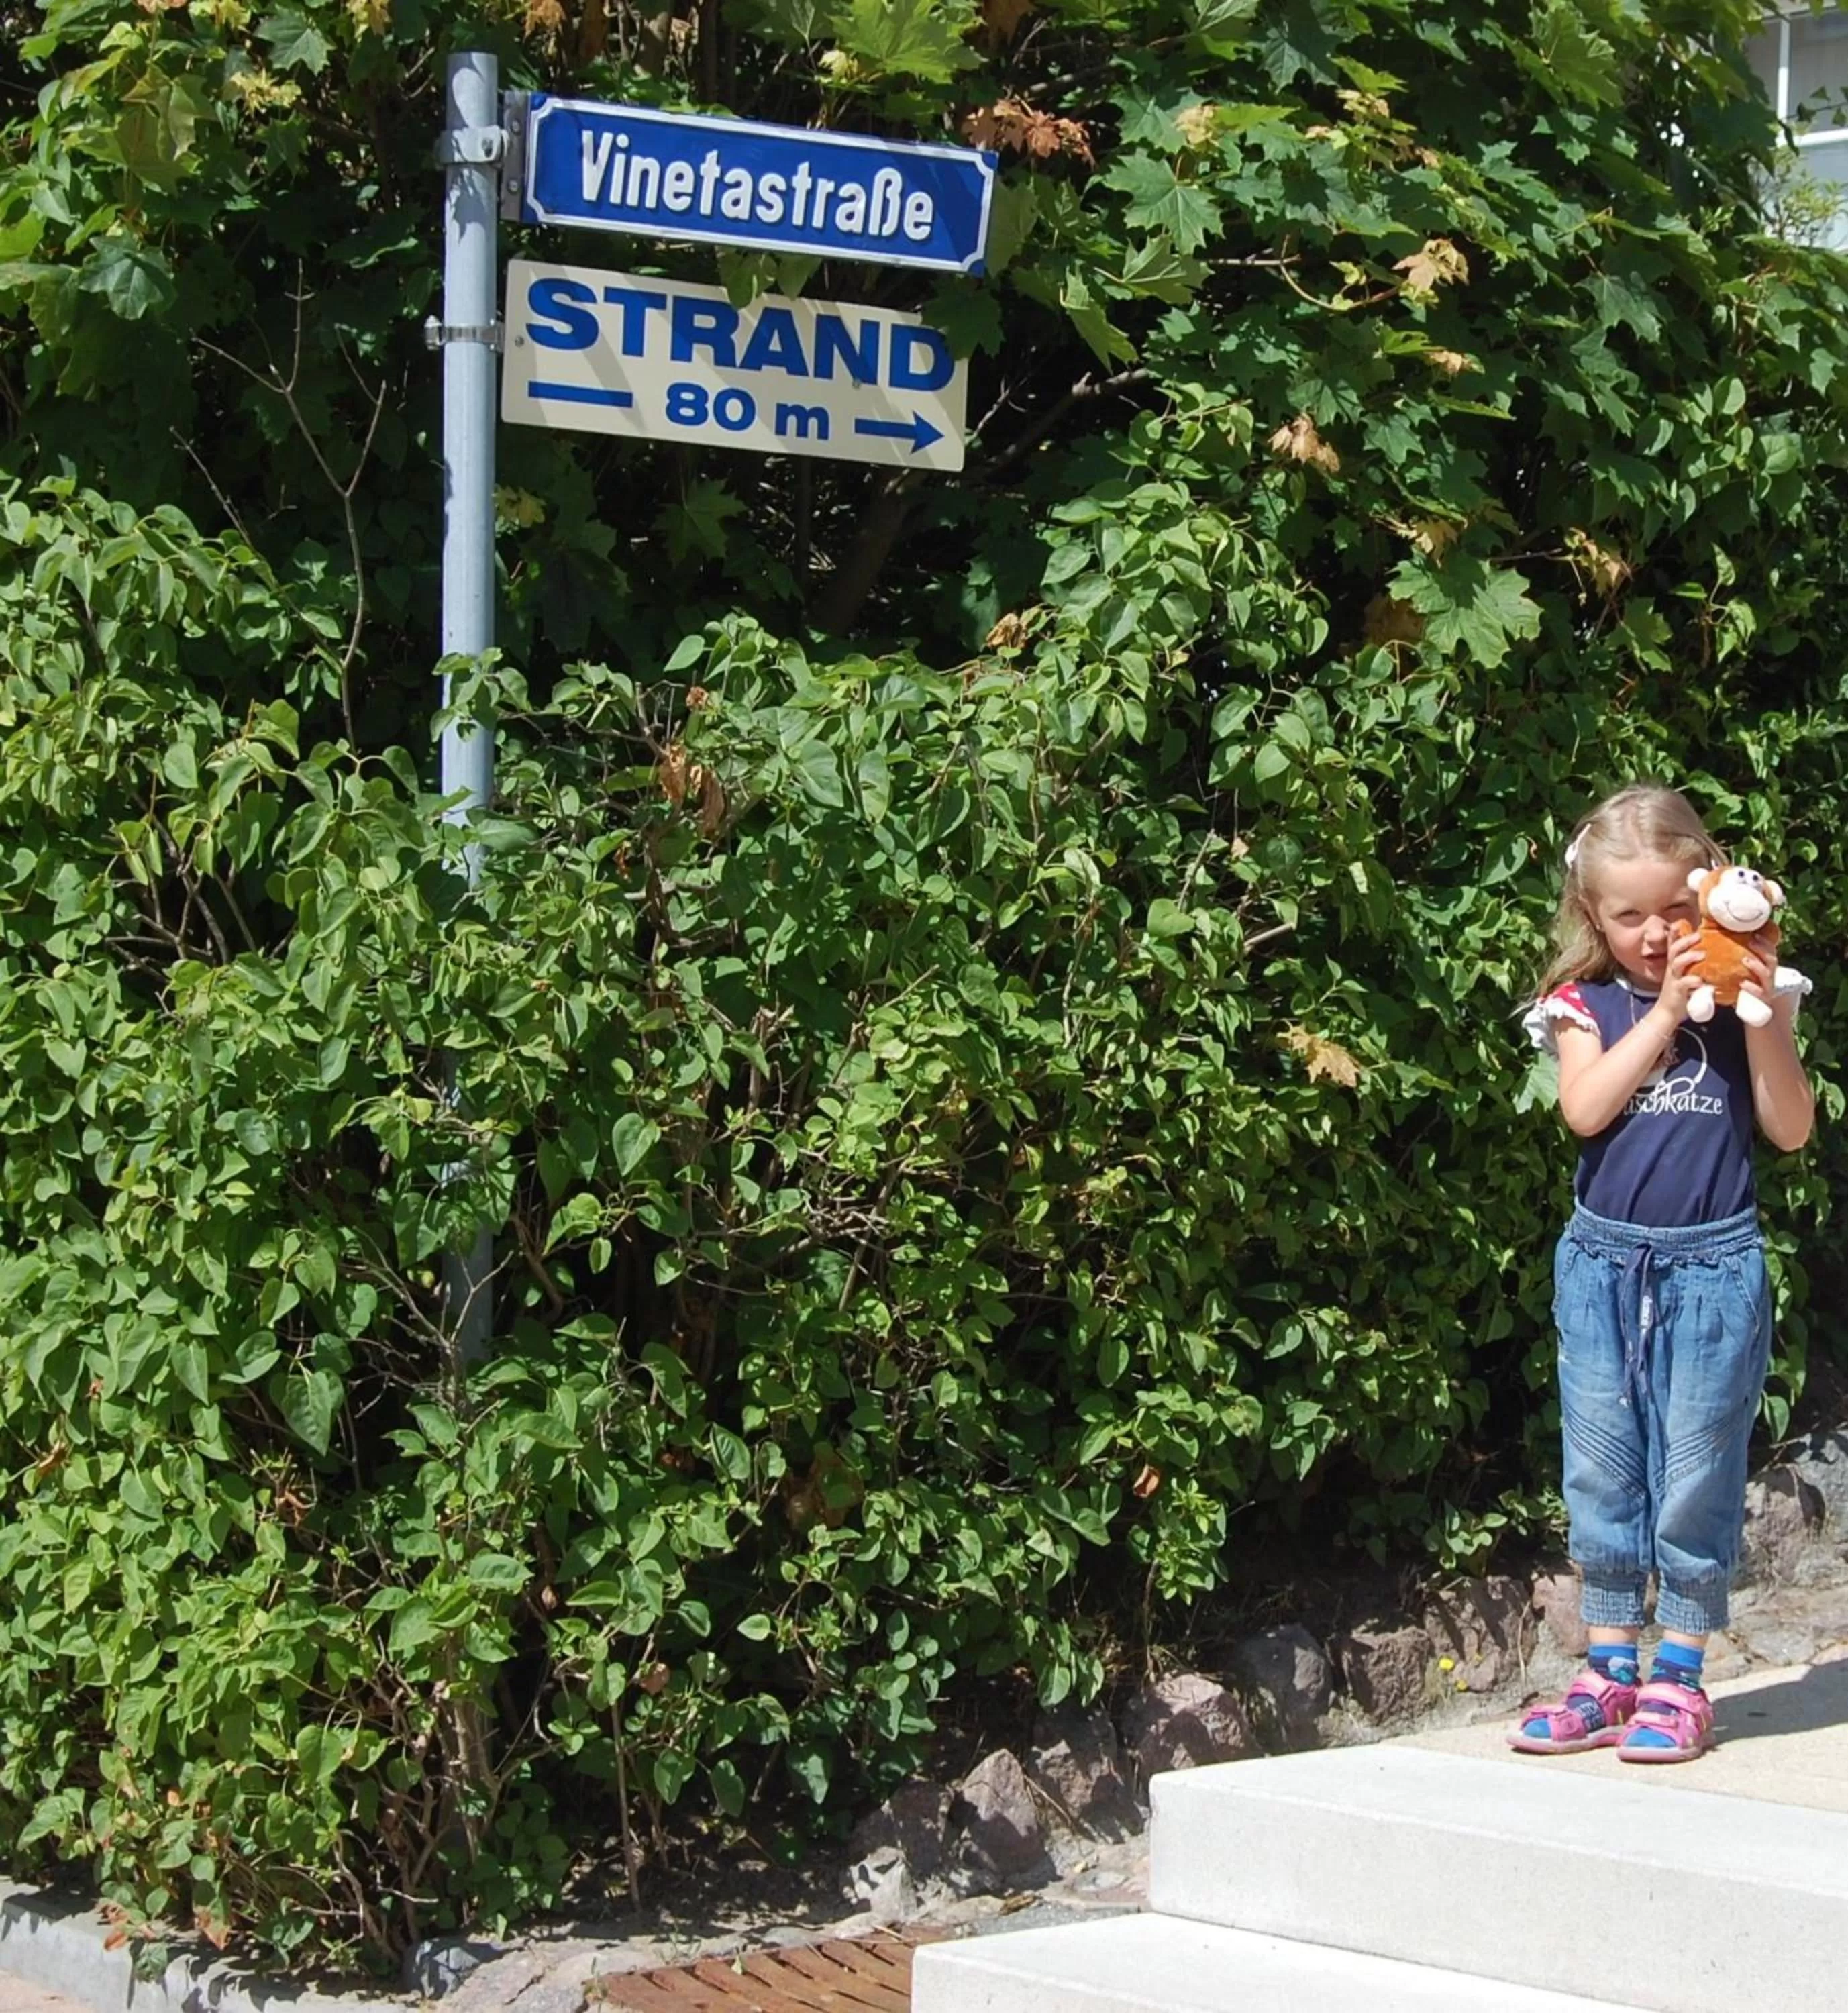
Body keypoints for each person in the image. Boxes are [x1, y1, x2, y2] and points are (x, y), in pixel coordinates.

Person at [1510, 784, 1814, 1761]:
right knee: (1602, 1465)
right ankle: (1608, 1669)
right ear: (1591, 915)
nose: (1653, 934)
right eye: (1627, 914)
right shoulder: (1580, 1006)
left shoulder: (1745, 1006)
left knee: (1693, 1471)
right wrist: (1667, 1010)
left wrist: (1756, 1005)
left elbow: (1789, 1128)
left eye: (1673, 913)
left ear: (1709, 895)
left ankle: (1678, 1675)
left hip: (1712, 1270)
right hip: (1601, 1267)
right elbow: (1585, 1110)